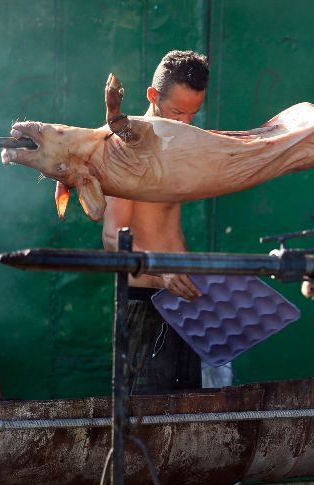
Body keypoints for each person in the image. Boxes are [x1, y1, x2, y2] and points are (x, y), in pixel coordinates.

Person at [102, 50, 231, 394]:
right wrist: (164, 272)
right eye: (177, 112)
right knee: (145, 417)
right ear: (153, 96)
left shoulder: (176, 145)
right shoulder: (124, 146)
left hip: (184, 303)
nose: (185, 123)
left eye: (193, 114)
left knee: (188, 414)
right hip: (145, 302)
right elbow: (112, 238)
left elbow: (167, 227)